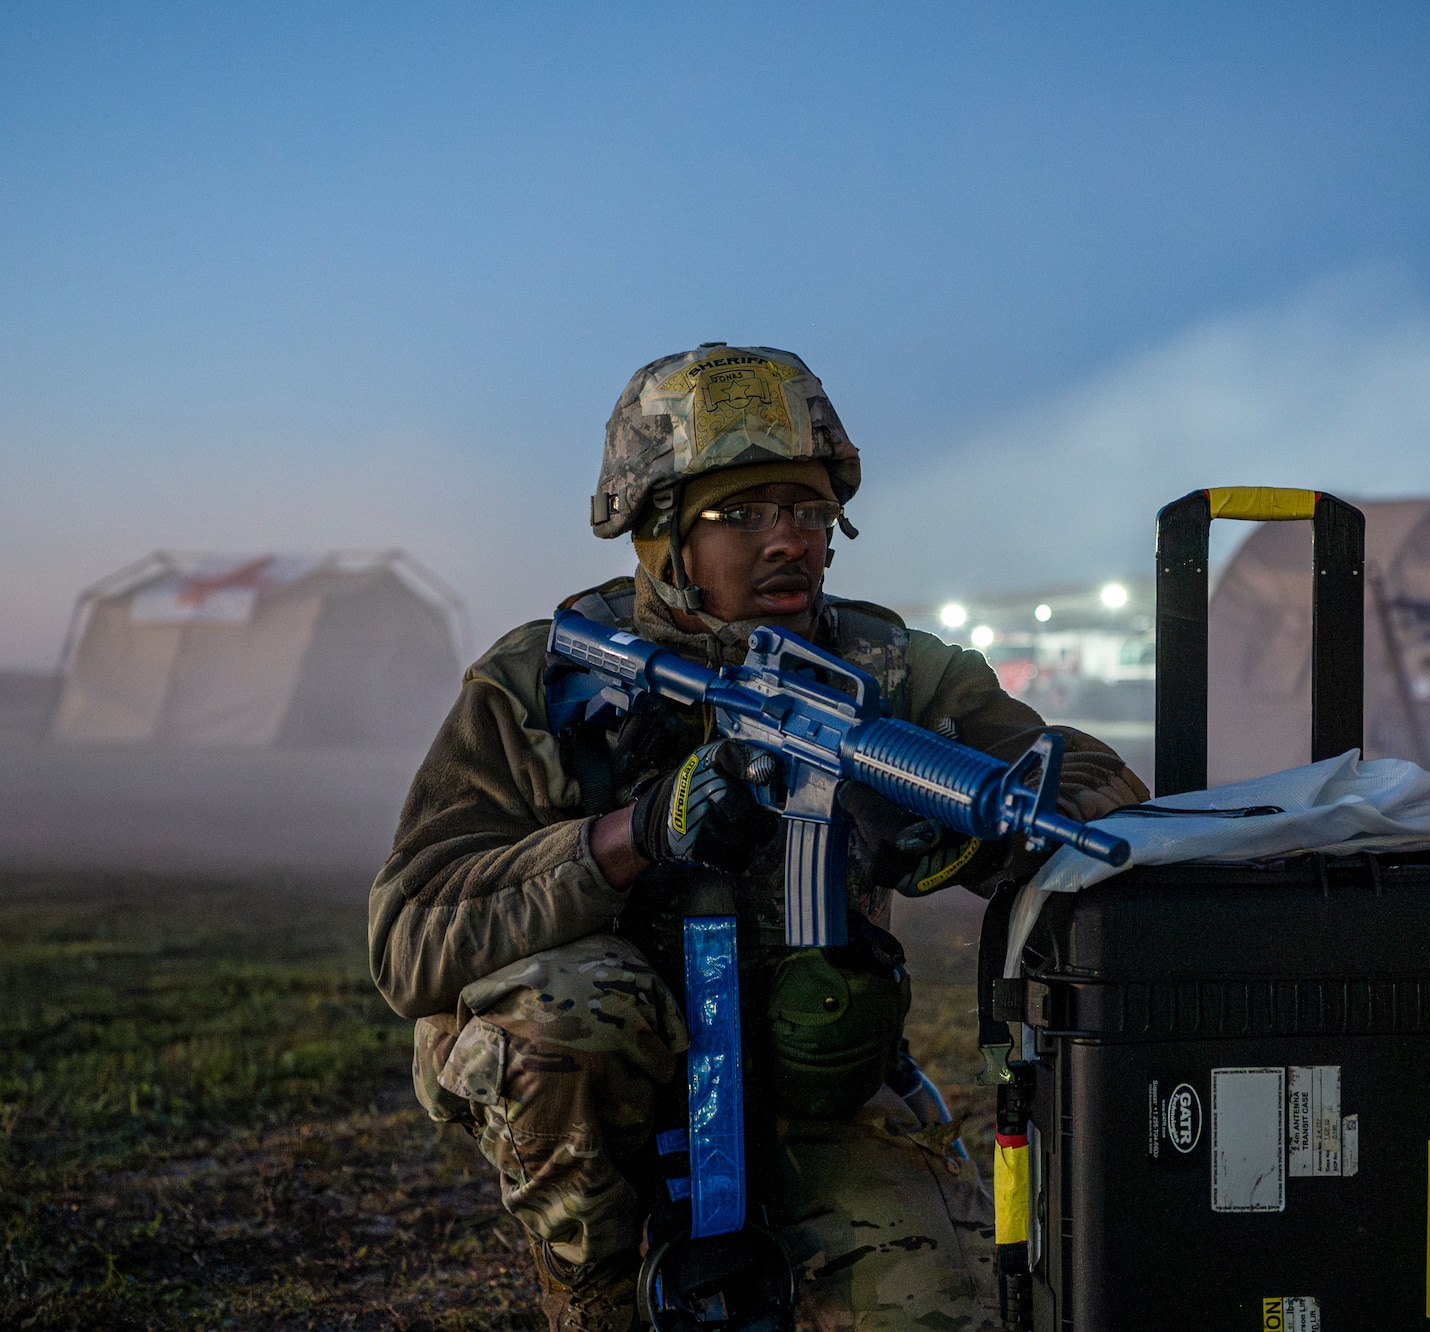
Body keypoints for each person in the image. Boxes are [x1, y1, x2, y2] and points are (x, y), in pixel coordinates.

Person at [369, 344, 1149, 1332]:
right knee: (572, 1008)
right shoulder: (539, 686)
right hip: (605, 1084)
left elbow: (1084, 776)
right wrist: (631, 835)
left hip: (805, 1082)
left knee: (935, 1310)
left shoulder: (888, 671)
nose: (787, 541)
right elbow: (408, 938)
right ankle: (596, 1291)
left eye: (810, 511)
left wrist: (966, 824)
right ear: (658, 532)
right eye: (740, 515)